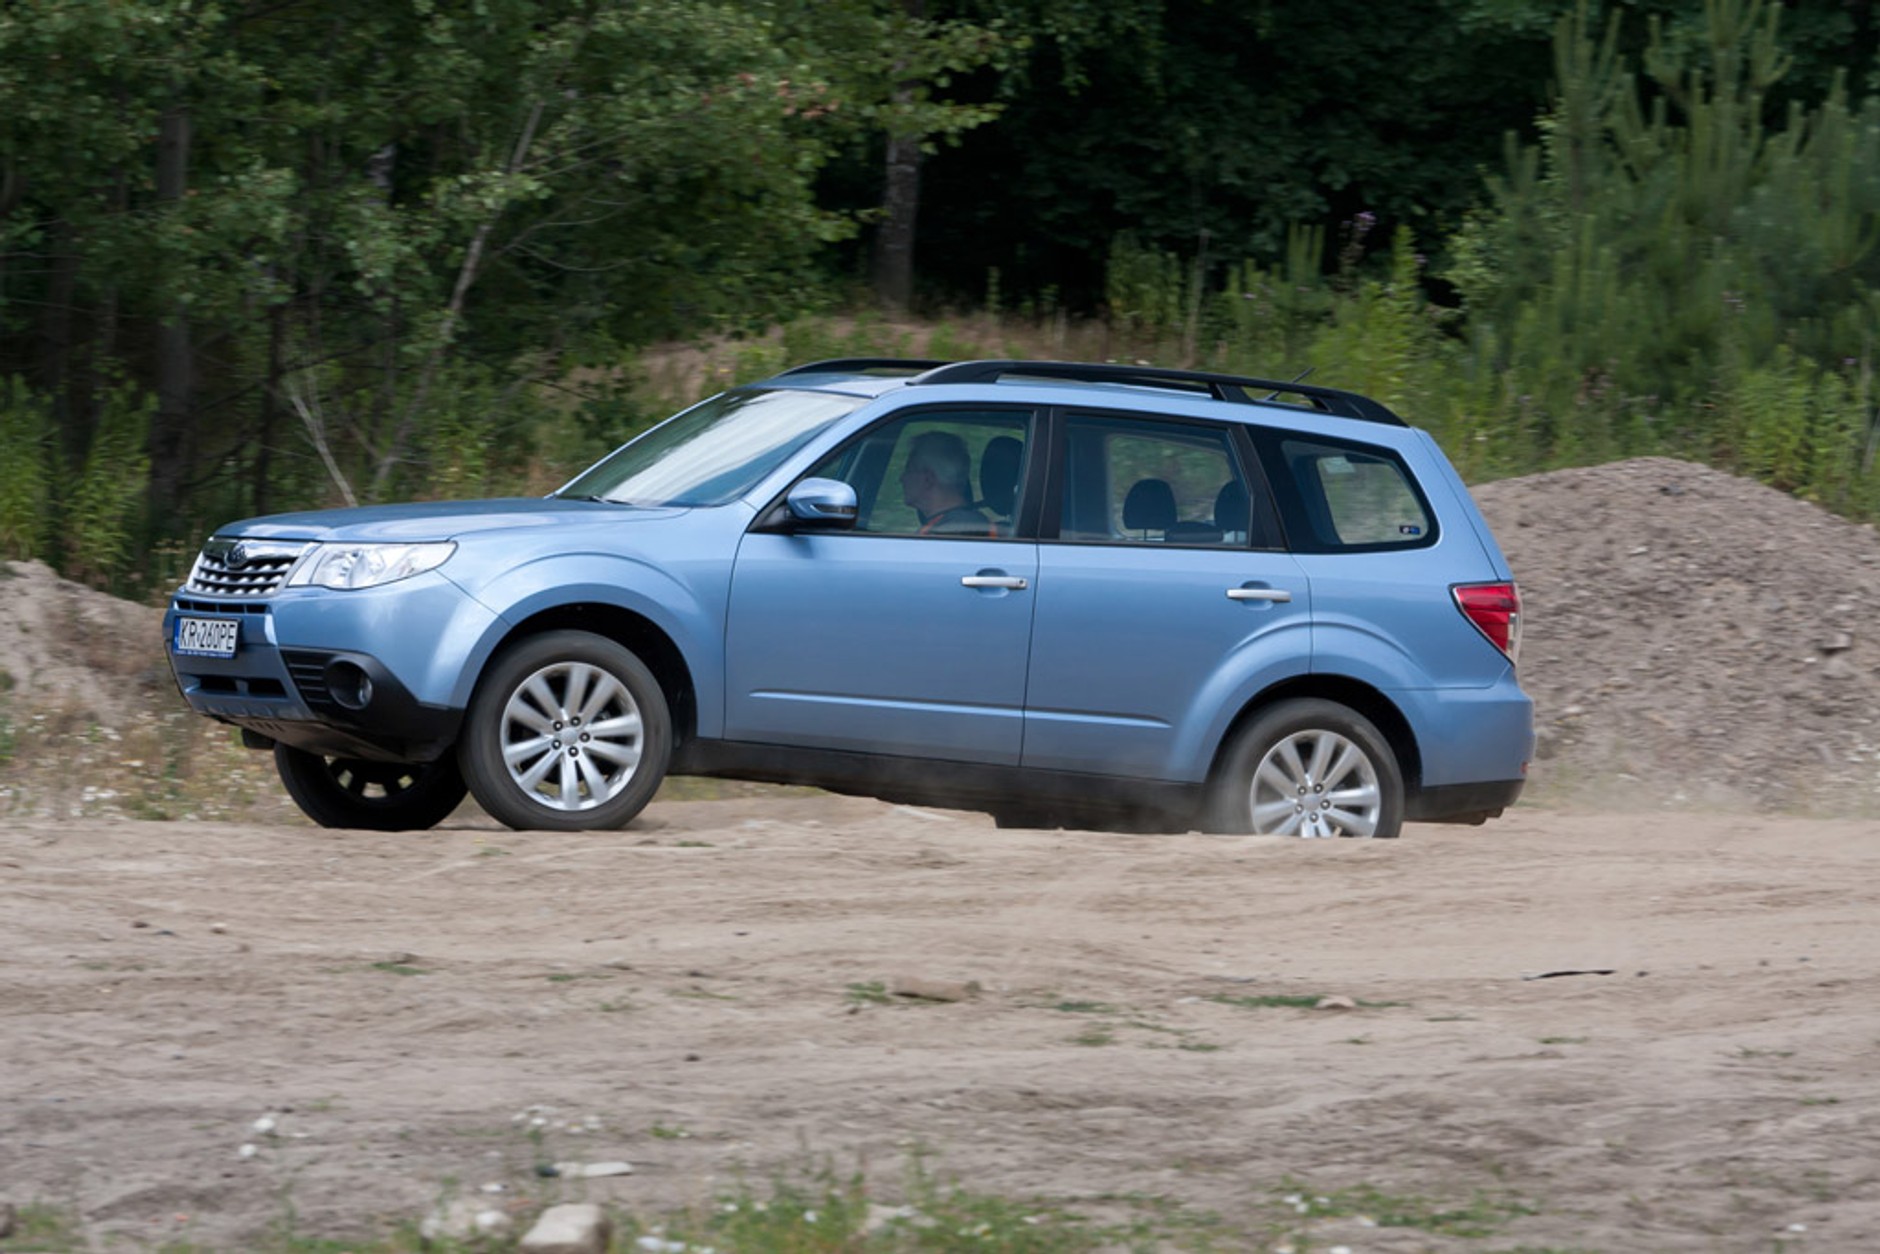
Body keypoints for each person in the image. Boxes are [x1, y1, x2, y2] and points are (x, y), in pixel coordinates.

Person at [901, 431, 995, 536]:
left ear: (928, 479)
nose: (902, 478)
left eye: (908, 470)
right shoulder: (954, 525)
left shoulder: (957, 530)